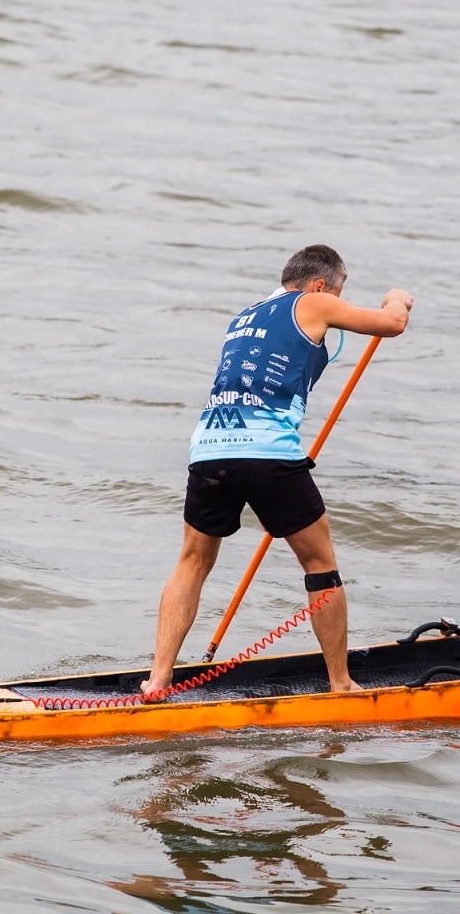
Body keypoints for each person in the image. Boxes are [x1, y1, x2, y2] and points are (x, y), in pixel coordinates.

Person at [142, 244, 414, 697]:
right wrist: (397, 299)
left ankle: (157, 679)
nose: (338, 302)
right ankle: (341, 684)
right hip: (267, 451)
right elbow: (391, 326)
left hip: (208, 447)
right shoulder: (313, 301)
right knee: (320, 564)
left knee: (191, 562)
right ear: (320, 284)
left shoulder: (245, 315)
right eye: (339, 292)